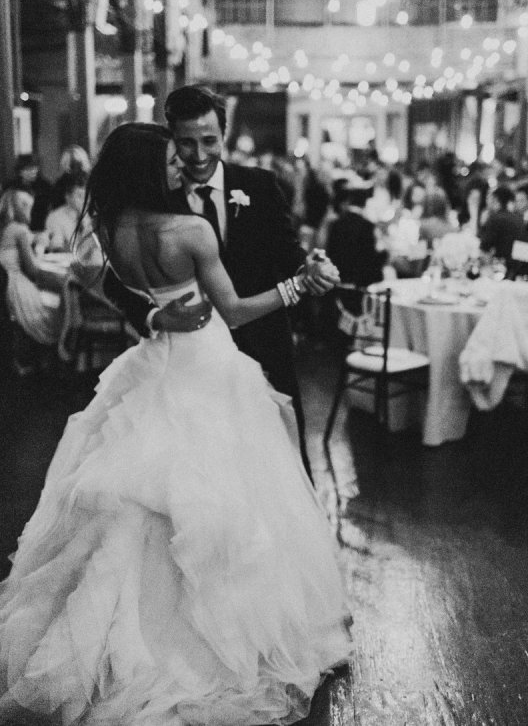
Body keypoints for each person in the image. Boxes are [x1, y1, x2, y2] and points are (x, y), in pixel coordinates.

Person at [0, 123, 351, 726]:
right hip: (207, 363)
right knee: (228, 494)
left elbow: (94, 279)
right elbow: (235, 311)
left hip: (154, 359)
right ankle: (205, 643)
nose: (179, 167)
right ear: (146, 166)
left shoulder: (109, 226)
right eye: (169, 158)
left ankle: (122, 635)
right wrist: (297, 285)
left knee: (138, 496)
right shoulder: (189, 230)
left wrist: (153, 310)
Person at [103, 87, 336, 483]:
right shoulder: (157, 198)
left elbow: (286, 248)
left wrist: (310, 266)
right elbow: (112, 280)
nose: (197, 155)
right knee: (209, 475)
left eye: (209, 141)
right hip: (190, 364)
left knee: (286, 468)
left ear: (223, 135)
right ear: (170, 138)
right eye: (186, 143)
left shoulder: (260, 184)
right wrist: (154, 314)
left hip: (263, 344)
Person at [0, 188, 63, 356]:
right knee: (58, 302)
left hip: (6, 285)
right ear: (22, 208)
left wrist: (34, 237)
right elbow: (32, 270)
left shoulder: (7, 228)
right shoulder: (19, 230)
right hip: (17, 286)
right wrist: (41, 245)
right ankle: (60, 351)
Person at [479, 184, 528, 267]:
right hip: (523, 264)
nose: (487, 202)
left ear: (496, 200)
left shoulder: (495, 218)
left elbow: (485, 247)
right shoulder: (518, 217)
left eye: (490, 198)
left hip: (504, 266)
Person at [44, 174, 87, 251]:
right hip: (67, 259)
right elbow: (57, 247)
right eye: (80, 196)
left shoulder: (90, 215)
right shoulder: (55, 217)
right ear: (68, 197)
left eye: (86, 196)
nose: (84, 200)